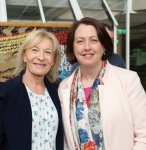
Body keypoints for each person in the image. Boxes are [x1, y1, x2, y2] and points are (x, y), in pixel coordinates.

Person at [58, 17, 146, 150]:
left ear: (104, 45)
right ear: (72, 47)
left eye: (94, 40)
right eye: (80, 41)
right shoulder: (64, 86)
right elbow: (65, 139)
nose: (87, 47)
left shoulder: (128, 80)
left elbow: (143, 136)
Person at [0, 29, 64, 150]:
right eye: (34, 50)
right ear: (24, 56)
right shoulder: (4, 93)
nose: (41, 57)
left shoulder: (59, 91)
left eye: (48, 52)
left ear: (53, 60)